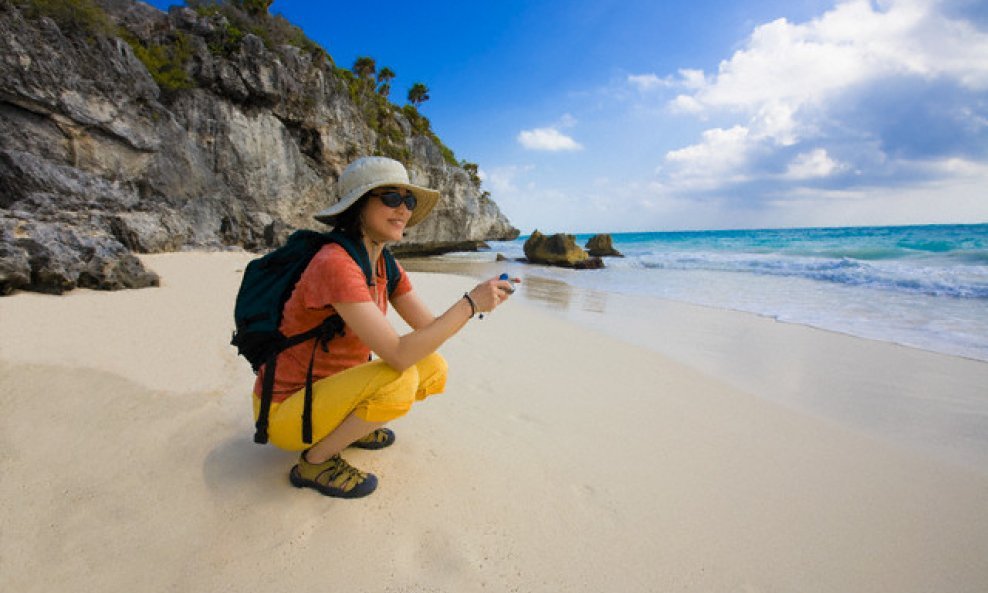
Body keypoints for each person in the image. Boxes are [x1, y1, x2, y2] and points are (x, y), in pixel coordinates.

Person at [253, 156, 517, 499]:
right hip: (285, 412)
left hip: (329, 394)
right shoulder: (335, 263)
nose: (404, 210)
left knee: (433, 368)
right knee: (401, 375)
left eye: (408, 201)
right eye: (391, 198)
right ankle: (314, 462)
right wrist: (469, 304)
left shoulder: (384, 264)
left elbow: (429, 328)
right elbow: (396, 354)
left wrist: (480, 303)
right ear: (358, 206)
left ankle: (347, 428)